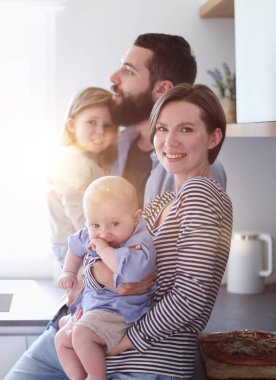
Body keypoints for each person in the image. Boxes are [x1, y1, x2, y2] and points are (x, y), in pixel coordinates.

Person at [4, 33, 227, 380]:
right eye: (163, 129)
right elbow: (93, 241)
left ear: (160, 88)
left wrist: (124, 335)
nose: (113, 78)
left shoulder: (195, 181)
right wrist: (93, 273)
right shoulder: (111, 148)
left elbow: (169, 284)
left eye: (127, 70)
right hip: (83, 315)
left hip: (123, 334)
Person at [90, 83, 233, 379]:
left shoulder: (201, 192)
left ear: (213, 137)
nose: (169, 141)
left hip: (151, 366)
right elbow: (104, 252)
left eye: (186, 129)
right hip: (122, 363)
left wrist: (124, 341)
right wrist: (94, 276)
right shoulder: (162, 203)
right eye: (162, 129)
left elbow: (190, 298)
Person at [55, 176, 156, 380]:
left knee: (81, 335)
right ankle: (77, 377)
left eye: (114, 224)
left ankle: (95, 376)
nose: (104, 233)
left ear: (136, 218)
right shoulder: (91, 232)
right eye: (95, 225)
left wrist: (102, 249)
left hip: (121, 312)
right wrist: (68, 272)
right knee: (61, 339)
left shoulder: (140, 243)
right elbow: (75, 247)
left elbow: (126, 272)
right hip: (95, 307)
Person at [47, 87, 118, 267]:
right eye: (91, 122)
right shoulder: (72, 162)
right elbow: (78, 214)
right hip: (73, 248)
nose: (100, 131)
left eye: (108, 125)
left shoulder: (95, 160)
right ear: (72, 125)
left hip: (83, 240)